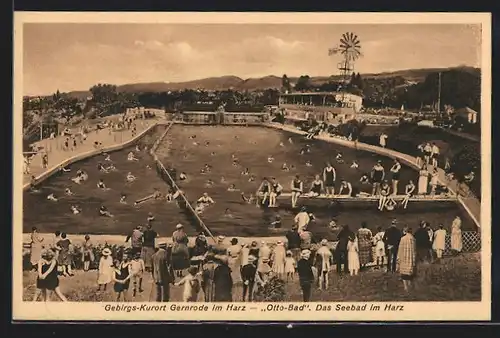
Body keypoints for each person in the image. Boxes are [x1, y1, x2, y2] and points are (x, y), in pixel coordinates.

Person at [397, 226, 417, 292]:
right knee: (410, 273)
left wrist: (399, 258)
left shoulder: (402, 239)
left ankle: (406, 287)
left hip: (403, 257)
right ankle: (410, 287)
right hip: (410, 257)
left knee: (404, 273)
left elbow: (400, 249)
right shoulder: (413, 239)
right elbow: (414, 250)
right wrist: (414, 260)